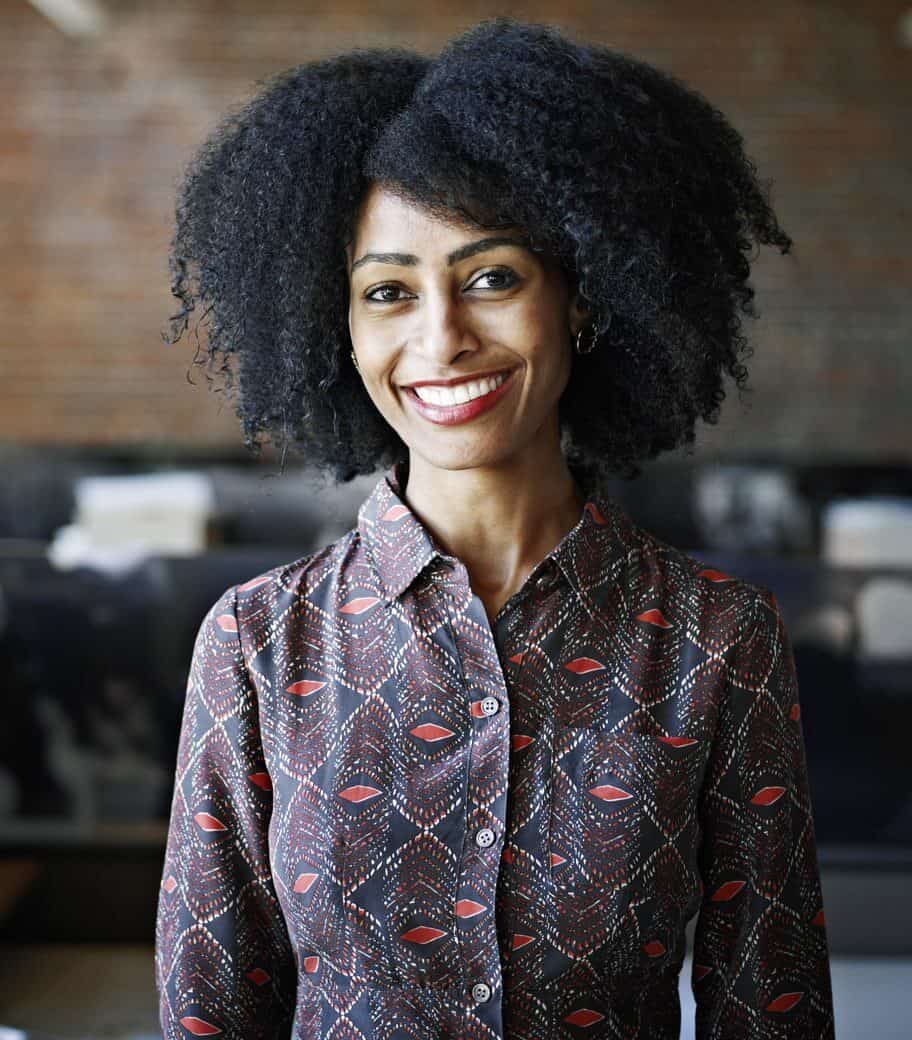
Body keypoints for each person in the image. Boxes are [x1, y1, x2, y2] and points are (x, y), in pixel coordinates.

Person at [154, 17, 836, 1039]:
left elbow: (771, 1004)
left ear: (585, 299)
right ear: (332, 326)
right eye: (388, 291)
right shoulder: (255, 642)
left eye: (492, 276)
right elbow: (209, 1008)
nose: (441, 337)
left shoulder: (719, 640)